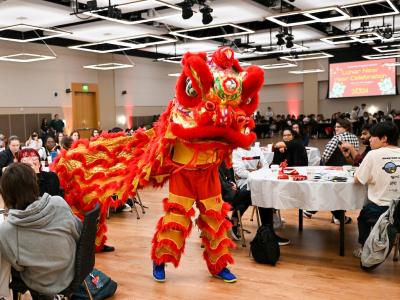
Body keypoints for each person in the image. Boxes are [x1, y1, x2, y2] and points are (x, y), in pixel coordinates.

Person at [0, 163, 82, 299]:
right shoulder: (58, 203)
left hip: (41, 283)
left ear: (6, 192)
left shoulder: (7, 230)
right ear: (34, 183)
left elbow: (18, 266)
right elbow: (77, 232)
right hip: (72, 271)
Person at [353, 122, 400, 257]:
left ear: (384, 138)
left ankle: (365, 248)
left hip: (381, 209)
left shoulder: (373, 155)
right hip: (399, 210)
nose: (369, 140)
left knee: (363, 217)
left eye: (372, 136)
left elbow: (359, 179)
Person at [232, 144, 290, 246]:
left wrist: (252, 171)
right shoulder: (236, 151)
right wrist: (258, 171)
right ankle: (268, 233)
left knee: (268, 190)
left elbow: (266, 166)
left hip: (258, 181)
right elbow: (241, 173)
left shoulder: (256, 149)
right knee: (262, 193)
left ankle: (268, 230)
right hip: (244, 183)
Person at [219, 162, 251, 240]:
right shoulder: (212, 163)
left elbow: (230, 177)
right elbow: (219, 183)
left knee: (247, 195)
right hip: (220, 196)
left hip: (228, 191)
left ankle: (232, 222)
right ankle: (234, 222)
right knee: (247, 195)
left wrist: (232, 183)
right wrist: (230, 185)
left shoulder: (224, 161)